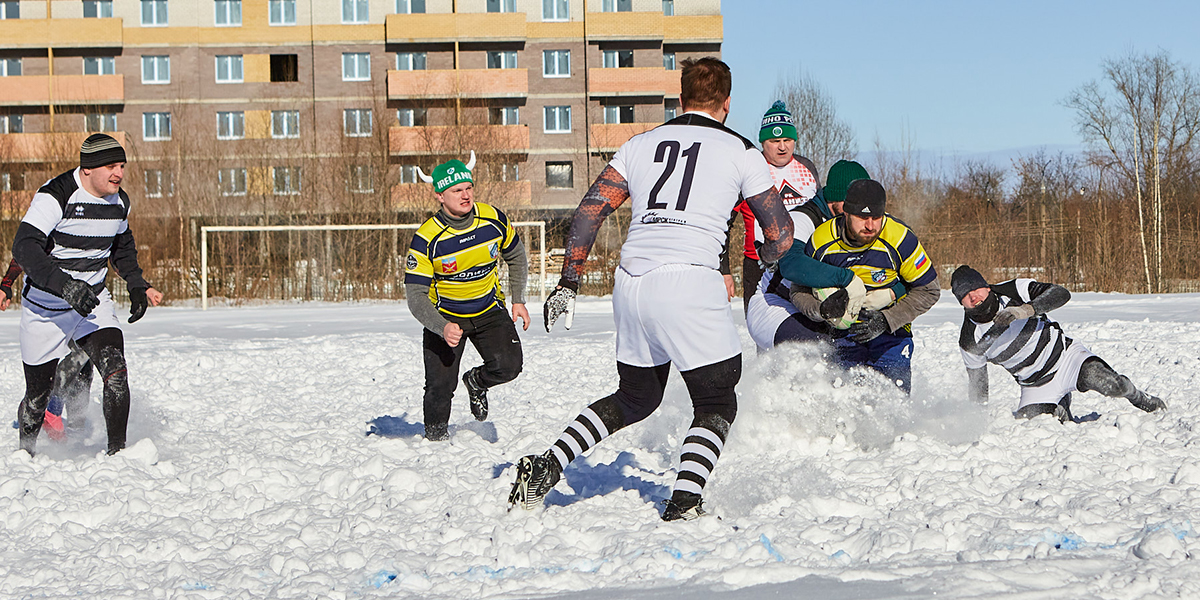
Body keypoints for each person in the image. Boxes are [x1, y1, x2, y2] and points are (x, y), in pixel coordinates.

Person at [508, 57, 794, 521]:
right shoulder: (742, 151)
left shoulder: (639, 144)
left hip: (632, 283)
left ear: (679, 100)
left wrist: (569, 279)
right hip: (688, 279)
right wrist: (771, 258)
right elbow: (779, 233)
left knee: (635, 397)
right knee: (718, 399)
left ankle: (546, 464)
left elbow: (589, 212)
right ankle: (684, 502)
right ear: (725, 105)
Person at [12, 133, 163, 456]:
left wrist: (136, 283)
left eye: (121, 166)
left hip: (92, 302)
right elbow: (24, 246)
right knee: (38, 395)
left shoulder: (119, 202)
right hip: (45, 307)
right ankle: (25, 453)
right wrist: (64, 285)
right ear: (88, 169)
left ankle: (117, 454)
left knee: (116, 372)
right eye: (111, 166)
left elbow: (122, 247)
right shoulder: (56, 195)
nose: (118, 173)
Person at [404, 152, 529, 442]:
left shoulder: (493, 219)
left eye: (468, 187)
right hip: (446, 317)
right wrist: (441, 326)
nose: (465, 195)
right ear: (439, 195)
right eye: (456, 190)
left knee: (510, 367)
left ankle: (476, 381)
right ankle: (435, 441)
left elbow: (517, 256)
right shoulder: (426, 238)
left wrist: (518, 298)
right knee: (439, 388)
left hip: (488, 309)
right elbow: (416, 296)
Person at [950, 265, 1166, 421]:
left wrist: (1024, 310)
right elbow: (978, 386)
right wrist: (975, 422)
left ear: (986, 287)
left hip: (1066, 359)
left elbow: (1061, 293)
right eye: (965, 295)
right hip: (1034, 385)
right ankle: (1060, 405)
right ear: (961, 302)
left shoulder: (1012, 290)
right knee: (1035, 427)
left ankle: (1138, 396)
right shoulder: (970, 340)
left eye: (975, 289)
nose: (973, 297)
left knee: (1113, 386)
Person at [789, 179, 940, 394]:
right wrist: (821, 310)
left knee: (892, 405)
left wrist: (887, 320)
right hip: (841, 335)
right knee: (844, 404)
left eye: (876, 217)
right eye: (862, 217)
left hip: (891, 335)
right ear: (846, 213)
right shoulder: (822, 240)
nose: (870, 225)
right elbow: (798, 291)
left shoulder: (900, 238)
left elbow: (929, 289)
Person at [746, 160, 900, 350]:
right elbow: (790, 263)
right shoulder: (803, 219)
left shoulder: (860, 225)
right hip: (777, 303)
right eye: (852, 203)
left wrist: (893, 292)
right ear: (834, 197)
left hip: (822, 308)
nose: (858, 211)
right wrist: (846, 279)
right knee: (817, 350)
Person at [731, 101, 823, 313]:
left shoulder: (806, 168)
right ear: (763, 143)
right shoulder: (751, 169)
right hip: (759, 264)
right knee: (762, 330)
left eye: (788, 140)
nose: (783, 146)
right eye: (774, 141)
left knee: (806, 325)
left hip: (803, 259)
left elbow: (821, 212)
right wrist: (724, 269)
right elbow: (726, 220)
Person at [3, 258, 94, 441]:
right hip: (50, 303)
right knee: (81, 353)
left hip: (83, 299)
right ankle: (51, 409)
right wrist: (6, 284)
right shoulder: (49, 231)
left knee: (85, 362)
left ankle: (76, 428)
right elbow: (24, 251)